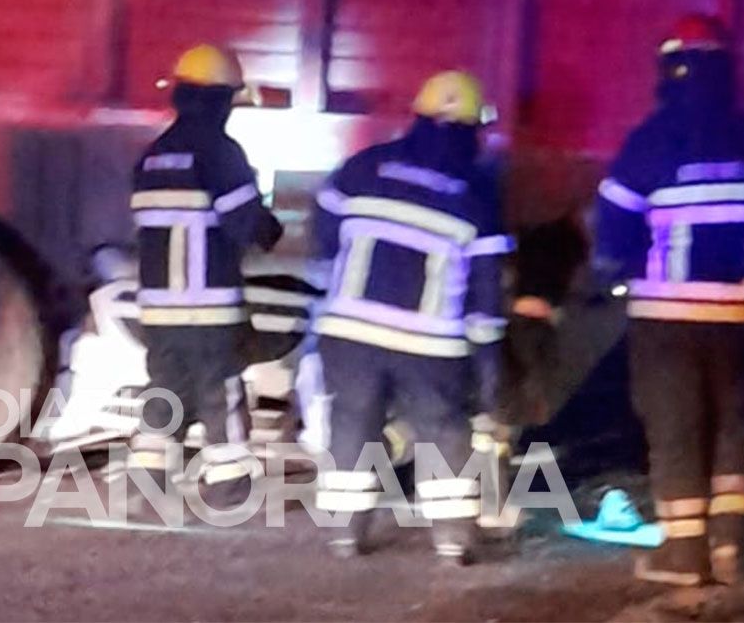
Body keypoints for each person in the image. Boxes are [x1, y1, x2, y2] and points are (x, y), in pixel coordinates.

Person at [595, 14, 744, 586]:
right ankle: (731, 543)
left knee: (676, 425)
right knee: (733, 422)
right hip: (740, 313)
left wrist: (618, 270)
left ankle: (683, 552)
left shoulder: (649, 139)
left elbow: (615, 226)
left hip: (667, 313)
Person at [310, 71, 508, 565]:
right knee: (443, 430)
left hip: (350, 332)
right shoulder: (477, 194)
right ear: (470, 131)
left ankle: (345, 534)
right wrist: (488, 362)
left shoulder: (363, 167)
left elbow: (323, 227)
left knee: (352, 423)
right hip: (430, 342)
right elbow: (485, 292)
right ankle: (452, 540)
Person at [126, 44, 282, 511]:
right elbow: (247, 225)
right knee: (221, 393)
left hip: (158, 308)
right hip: (209, 307)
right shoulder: (220, 152)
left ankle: (146, 488)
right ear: (219, 100)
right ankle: (229, 489)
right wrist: (271, 226)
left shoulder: (152, 156)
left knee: (165, 392)